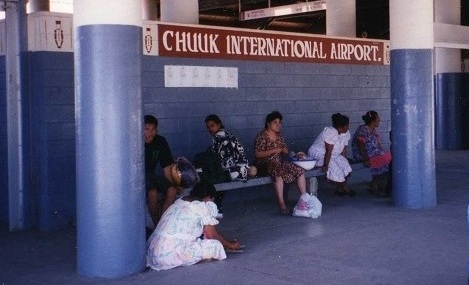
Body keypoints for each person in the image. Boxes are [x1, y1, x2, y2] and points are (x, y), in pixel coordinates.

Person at [147, 181, 241, 271]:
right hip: (169, 255)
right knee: (216, 246)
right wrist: (230, 245)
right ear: (208, 197)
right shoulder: (202, 206)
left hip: (153, 252)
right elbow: (213, 235)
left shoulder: (180, 200)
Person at [254, 111, 307, 215]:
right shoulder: (262, 136)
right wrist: (274, 151)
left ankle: (305, 199)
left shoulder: (279, 136)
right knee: (277, 171)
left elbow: (285, 151)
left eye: (280, 123)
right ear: (268, 124)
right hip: (264, 165)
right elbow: (257, 154)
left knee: (299, 169)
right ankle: (282, 204)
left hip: (278, 163)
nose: (278, 125)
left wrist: (287, 151)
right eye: (275, 122)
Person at [307, 113, 355, 197]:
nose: (348, 127)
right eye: (347, 125)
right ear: (341, 127)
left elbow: (343, 149)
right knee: (334, 169)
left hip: (332, 155)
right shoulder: (330, 132)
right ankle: (341, 187)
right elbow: (328, 151)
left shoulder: (345, 133)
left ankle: (341, 188)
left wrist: (343, 160)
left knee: (345, 166)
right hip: (320, 154)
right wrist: (325, 165)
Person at [144, 115, 179, 227]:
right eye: (147, 129)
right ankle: (156, 225)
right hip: (138, 177)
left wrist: (172, 183)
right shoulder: (135, 141)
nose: (150, 133)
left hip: (151, 175)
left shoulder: (160, 141)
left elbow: (167, 166)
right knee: (152, 193)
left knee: (172, 190)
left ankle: (161, 225)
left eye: (153, 129)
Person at [352, 110, 392, 196]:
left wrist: (382, 154)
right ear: (372, 121)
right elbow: (360, 145)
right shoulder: (363, 129)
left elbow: (378, 146)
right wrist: (365, 159)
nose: (379, 120)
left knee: (389, 157)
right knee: (384, 159)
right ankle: (376, 185)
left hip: (373, 154)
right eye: (378, 119)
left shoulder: (375, 132)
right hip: (362, 155)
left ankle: (376, 184)